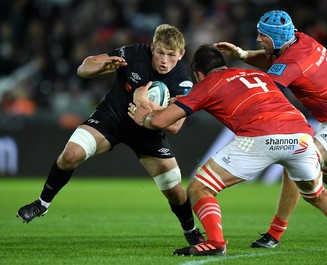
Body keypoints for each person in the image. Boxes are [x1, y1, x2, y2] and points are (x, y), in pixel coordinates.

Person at [128, 44, 327, 256]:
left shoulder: (207, 85)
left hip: (261, 136)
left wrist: (143, 113)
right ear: (224, 65)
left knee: (200, 188)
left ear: (198, 73)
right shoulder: (258, 75)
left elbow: (161, 122)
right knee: (318, 195)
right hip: (301, 135)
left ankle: (216, 243)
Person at [214, 10, 327, 249]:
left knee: (296, 158)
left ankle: (275, 233)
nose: (258, 39)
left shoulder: (294, 61)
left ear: (277, 39)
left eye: (263, 35)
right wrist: (242, 54)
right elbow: (273, 60)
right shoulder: (301, 40)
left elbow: (265, 90)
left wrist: (222, 86)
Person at [16, 24, 205, 245]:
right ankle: (42, 203)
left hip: (149, 133)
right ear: (152, 48)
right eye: (161, 52)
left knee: (174, 190)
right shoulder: (135, 53)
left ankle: (191, 231)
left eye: (171, 55)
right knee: (70, 155)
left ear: (181, 54)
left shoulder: (182, 81)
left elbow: (174, 127)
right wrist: (101, 65)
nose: (165, 60)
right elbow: (83, 69)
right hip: (112, 118)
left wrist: (143, 102)